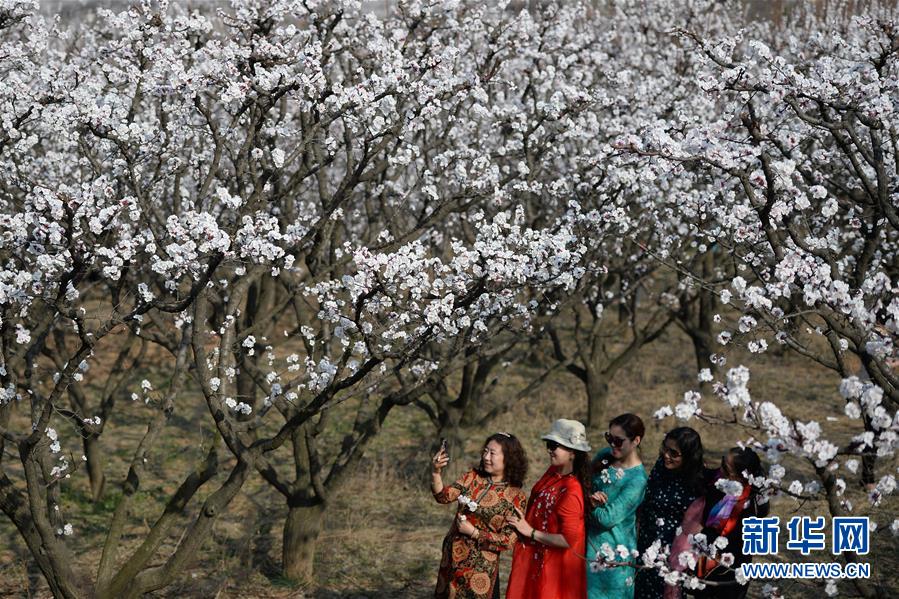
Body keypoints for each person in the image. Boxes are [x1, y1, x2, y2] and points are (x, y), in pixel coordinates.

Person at [431, 432, 528, 599]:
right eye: (485, 451)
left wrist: (474, 533)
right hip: (452, 560)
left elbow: (508, 541)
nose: (486, 457)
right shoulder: (473, 477)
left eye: (492, 453)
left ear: (509, 458)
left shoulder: (515, 496)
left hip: (481, 570)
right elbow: (443, 496)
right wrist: (436, 472)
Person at [505, 419, 591, 599]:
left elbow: (568, 540)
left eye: (555, 445)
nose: (549, 449)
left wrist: (530, 532)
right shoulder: (553, 472)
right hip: (538, 559)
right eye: (549, 444)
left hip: (555, 569)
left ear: (573, 453)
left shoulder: (571, 491)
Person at [682, 447, 769, 599]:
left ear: (740, 477)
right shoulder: (716, 481)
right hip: (706, 558)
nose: (720, 468)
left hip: (731, 565)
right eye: (722, 461)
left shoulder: (752, 503)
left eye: (726, 467)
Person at [634, 427, 707, 599]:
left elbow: (694, 524)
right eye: (665, 449)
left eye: (674, 453)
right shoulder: (661, 467)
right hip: (646, 541)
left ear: (688, 457)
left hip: (671, 551)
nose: (667, 455)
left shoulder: (696, 480)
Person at [586, 413, 648, 599]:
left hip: (613, 557)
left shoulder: (637, 480)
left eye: (618, 441)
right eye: (609, 438)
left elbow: (607, 518)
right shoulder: (605, 456)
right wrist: (588, 497)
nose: (612, 444)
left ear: (636, 440)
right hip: (588, 547)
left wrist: (588, 505)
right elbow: (584, 483)